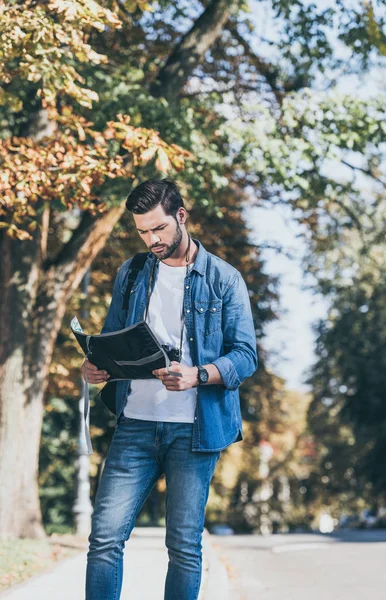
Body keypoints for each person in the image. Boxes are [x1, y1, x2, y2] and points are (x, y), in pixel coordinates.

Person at [84, 178, 257, 600]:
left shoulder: (224, 279)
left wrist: (198, 374)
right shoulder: (132, 273)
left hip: (194, 432)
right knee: (104, 540)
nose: (151, 239)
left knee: (183, 547)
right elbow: (112, 337)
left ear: (181, 216)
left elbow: (246, 356)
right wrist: (98, 365)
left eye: (158, 229)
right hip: (135, 426)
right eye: (142, 231)